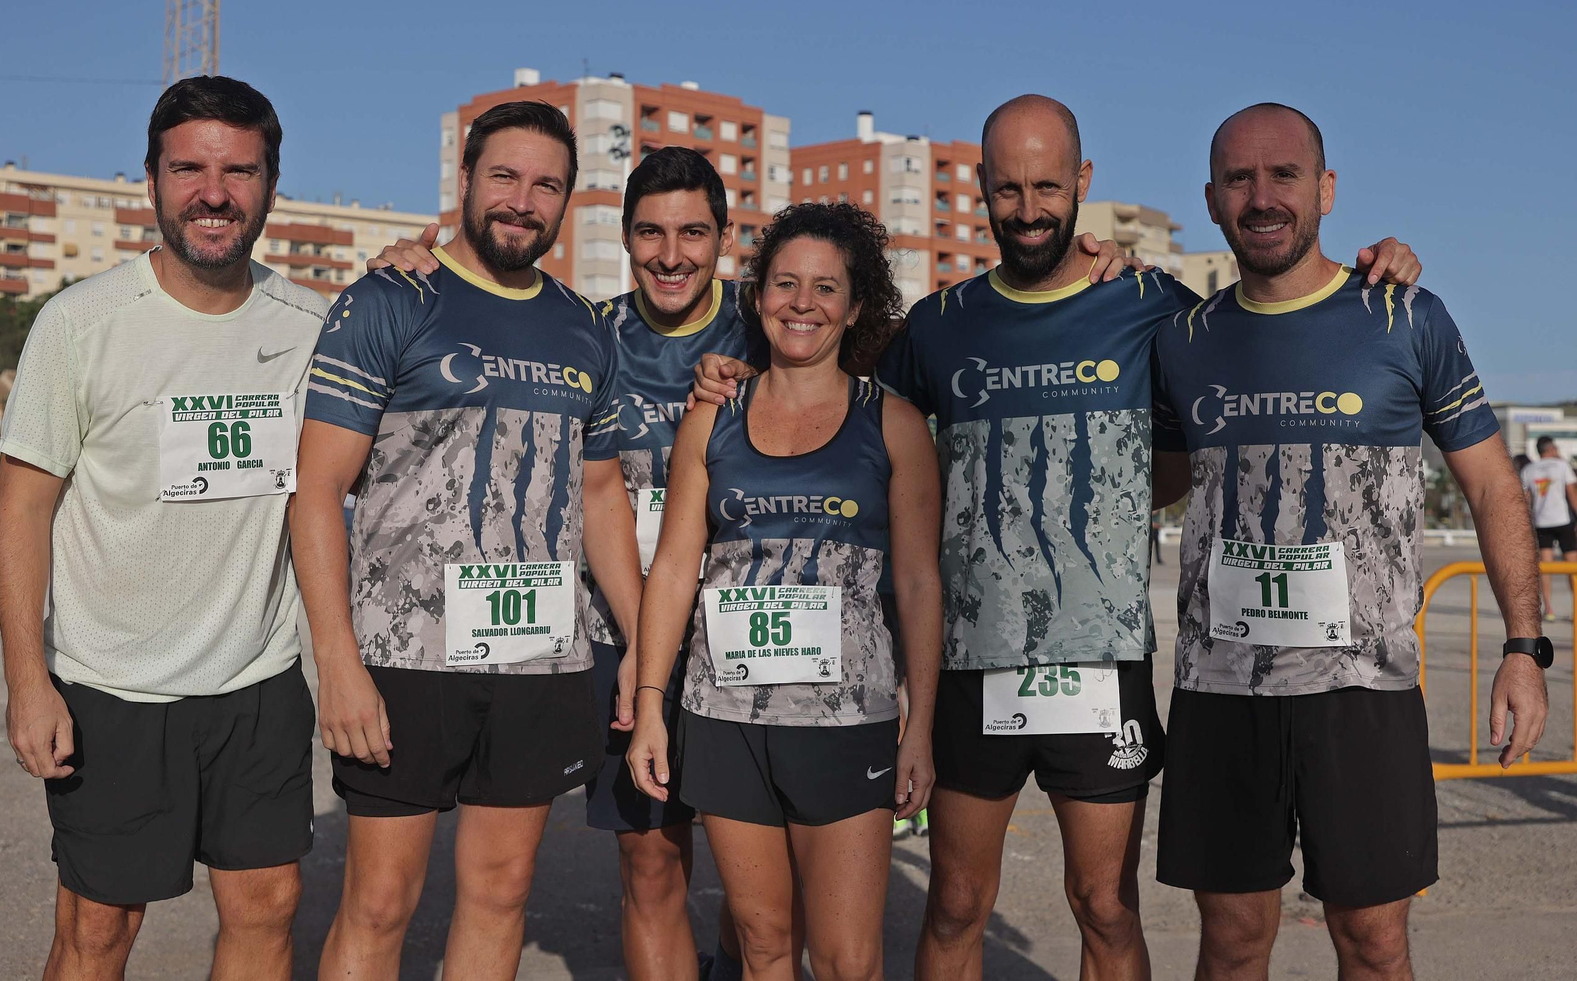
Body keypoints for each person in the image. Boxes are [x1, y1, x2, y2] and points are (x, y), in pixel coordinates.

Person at [693, 94, 1424, 981]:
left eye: (1047, 185)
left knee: (1104, 904)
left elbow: (1260, 333)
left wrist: (1374, 267)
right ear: (983, 189)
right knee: (958, 901)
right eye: (1008, 189)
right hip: (970, 662)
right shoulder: (939, 324)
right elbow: (823, 382)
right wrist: (732, 357)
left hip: (1101, 663)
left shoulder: (1152, 305)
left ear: (1081, 182)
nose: (1030, 209)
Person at [1151, 102, 1550, 981]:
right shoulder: (1180, 340)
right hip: (1223, 691)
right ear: (1211, 200)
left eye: (1284, 174)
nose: (1262, 197)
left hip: (1363, 692)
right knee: (1230, 945)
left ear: (1325, 190)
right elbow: (1159, 481)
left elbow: (1490, 485)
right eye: (1239, 179)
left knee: (1373, 945)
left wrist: (1524, 647)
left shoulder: (1406, 318)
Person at [367, 145, 772, 980]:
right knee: (652, 862)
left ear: (725, 239)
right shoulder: (589, 329)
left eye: (694, 233)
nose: (671, 254)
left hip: (752, 634)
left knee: (762, 884)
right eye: (651, 233)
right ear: (622, 236)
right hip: (617, 638)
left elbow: (887, 364)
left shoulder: (777, 326)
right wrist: (411, 265)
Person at [291, 100, 643, 980]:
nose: (522, 201)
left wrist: (643, 643)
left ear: (567, 201)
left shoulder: (583, 327)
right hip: (404, 662)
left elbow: (601, 497)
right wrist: (337, 661)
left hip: (538, 663)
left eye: (546, 185)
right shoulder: (389, 300)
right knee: (378, 905)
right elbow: (317, 490)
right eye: (505, 177)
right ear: (464, 181)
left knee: (501, 896)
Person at [0, 76, 324, 981]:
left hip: (258, 682)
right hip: (113, 689)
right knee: (100, 929)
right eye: (189, 168)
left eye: (239, 170)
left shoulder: (312, 326)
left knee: (269, 908)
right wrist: (29, 682)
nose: (213, 193)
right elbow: (21, 505)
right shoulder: (81, 324)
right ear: (151, 180)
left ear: (270, 183)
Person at [628, 202, 943, 981]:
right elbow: (673, 568)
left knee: (845, 961)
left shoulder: (893, 424)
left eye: (826, 288)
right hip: (725, 719)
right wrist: (648, 707)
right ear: (759, 295)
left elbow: (918, 582)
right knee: (763, 950)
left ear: (856, 306)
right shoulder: (712, 418)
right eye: (785, 284)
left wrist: (920, 728)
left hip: (846, 725)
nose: (802, 303)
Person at [1520, 435, 1577, 620]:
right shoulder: (1562, 466)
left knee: (1546, 566)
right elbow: (1571, 493)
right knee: (1572, 565)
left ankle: (1549, 609)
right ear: (1551, 448)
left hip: (1541, 522)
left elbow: (1527, 500)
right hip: (1563, 521)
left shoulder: (1529, 470)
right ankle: (1576, 609)